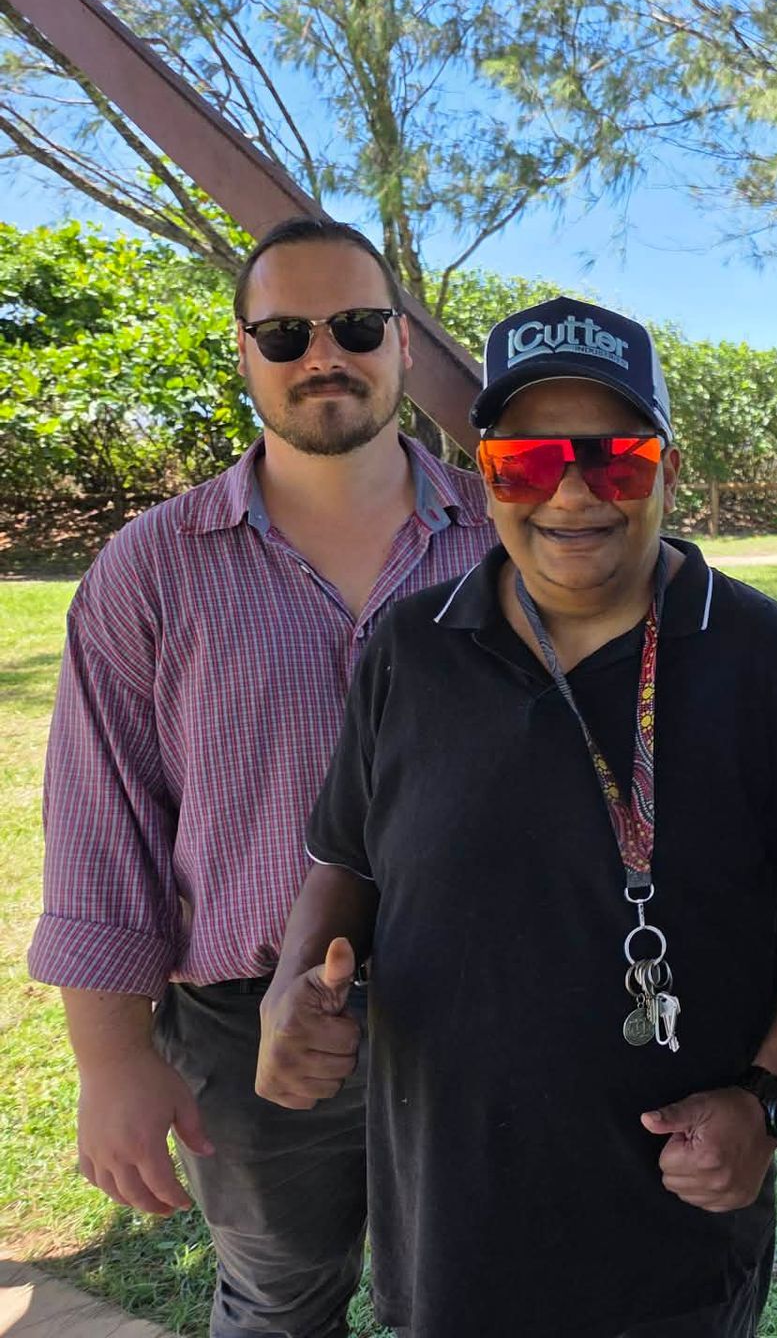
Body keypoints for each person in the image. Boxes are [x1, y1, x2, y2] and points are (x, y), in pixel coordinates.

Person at [254, 296, 777, 1338]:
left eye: (617, 459)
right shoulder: (411, 648)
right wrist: (289, 987)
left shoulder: (762, 656)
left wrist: (771, 1099)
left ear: (670, 471)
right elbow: (346, 858)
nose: (574, 495)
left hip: (671, 1240)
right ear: (486, 478)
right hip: (449, 1226)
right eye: (527, 464)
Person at [27, 218, 493, 1337]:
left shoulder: (508, 536)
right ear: (244, 355)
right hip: (247, 1033)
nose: (321, 356)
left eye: (357, 326)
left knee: (494, 1296)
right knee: (280, 1307)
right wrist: (111, 1058)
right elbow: (104, 823)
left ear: (403, 348)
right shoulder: (152, 567)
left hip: (490, 1005)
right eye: (285, 334)